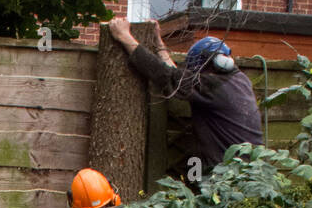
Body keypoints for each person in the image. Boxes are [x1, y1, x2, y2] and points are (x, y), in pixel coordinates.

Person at [106, 18, 262, 177]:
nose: (196, 76)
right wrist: (159, 45)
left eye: (197, 71)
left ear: (210, 65)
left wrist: (124, 36)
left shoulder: (212, 86)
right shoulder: (240, 80)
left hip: (228, 178)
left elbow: (165, 75)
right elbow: (177, 77)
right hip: (249, 173)